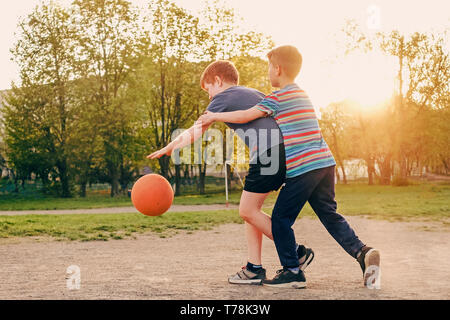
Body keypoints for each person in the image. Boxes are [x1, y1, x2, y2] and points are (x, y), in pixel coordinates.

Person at [198, 45, 381, 289]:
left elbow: (245, 116)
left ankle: (293, 271)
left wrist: (214, 116)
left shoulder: (277, 97)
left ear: (278, 69)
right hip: (325, 163)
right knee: (329, 214)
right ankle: (362, 252)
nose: (267, 74)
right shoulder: (303, 94)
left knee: (281, 218)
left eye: (268, 68)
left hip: (303, 168)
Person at [148, 60, 314, 285]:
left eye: (208, 90)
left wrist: (170, 147)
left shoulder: (223, 97)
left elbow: (198, 129)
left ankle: (296, 252)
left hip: (269, 152)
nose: (209, 97)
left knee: (246, 210)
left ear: (217, 80)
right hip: (284, 151)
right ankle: (254, 268)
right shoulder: (250, 92)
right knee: (251, 210)